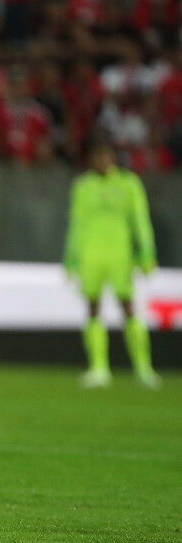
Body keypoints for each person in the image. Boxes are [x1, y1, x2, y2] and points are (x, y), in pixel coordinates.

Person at [64, 142, 160, 389]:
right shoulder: (83, 186)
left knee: (127, 306)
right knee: (92, 307)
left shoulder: (128, 184)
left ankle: (143, 368)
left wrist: (147, 253)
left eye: (105, 156)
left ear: (114, 159)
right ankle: (98, 368)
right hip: (90, 254)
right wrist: (71, 259)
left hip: (120, 253)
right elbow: (76, 223)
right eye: (97, 157)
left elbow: (140, 219)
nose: (101, 161)